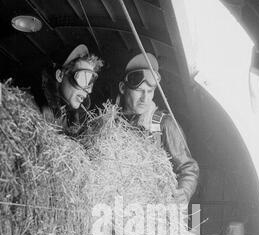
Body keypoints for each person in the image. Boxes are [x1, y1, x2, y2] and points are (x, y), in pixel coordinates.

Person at [117, 52, 199, 205]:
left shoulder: (164, 124)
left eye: (149, 92)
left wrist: (185, 191)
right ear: (123, 88)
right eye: (139, 91)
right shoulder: (112, 124)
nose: (145, 98)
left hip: (153, 212)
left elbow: (188, 168)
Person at [33, 44, 103, 134]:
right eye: (82, 78)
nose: (88, 90)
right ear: (60, 75)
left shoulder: (75, 120)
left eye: (89, 82)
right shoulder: (34, 106)